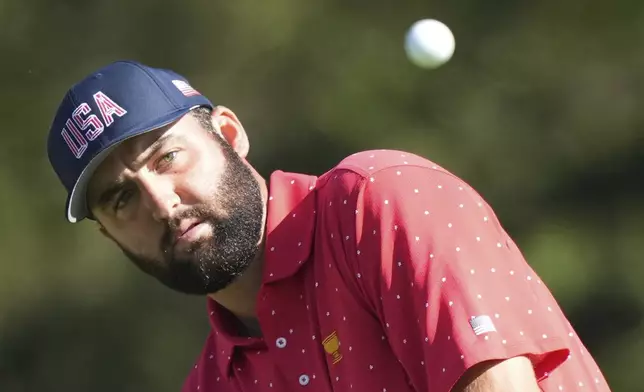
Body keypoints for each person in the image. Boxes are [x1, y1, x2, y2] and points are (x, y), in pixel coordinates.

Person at [46, 60, 612, 392]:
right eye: (122, 199)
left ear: (230, 135)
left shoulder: (379, 202)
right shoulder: (213, 383)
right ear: (108, 235)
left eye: (167, 158)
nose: (162, 204)